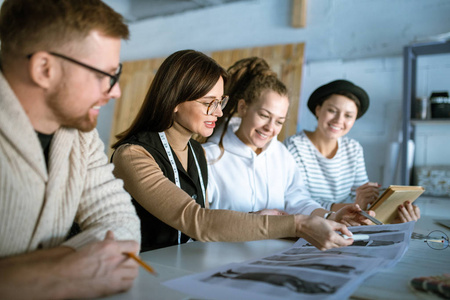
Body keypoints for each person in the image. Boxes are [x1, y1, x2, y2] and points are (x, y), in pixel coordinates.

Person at [111, 49, 354, 252]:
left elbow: (206, 220)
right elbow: (197, 221)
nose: (217, 112)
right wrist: (297, 225)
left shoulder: (196, 153)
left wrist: (255, 217)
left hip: (182, 266)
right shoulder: (133, 155)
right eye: (208, 103)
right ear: (174, 100)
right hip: (142, 272)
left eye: (220, 102)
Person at [0, 0, 141, 298]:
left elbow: (122, 223)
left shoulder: (79, 134)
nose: (115, 91)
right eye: (105, 75)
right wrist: (57, 273)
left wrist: (43, 272)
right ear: (44, 69)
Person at [203, 57, 373, 226]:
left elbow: (298, 201)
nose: (270, 128)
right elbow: (199, 221)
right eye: (264, 115)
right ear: (243, 107)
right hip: (226, 252)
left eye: (279, 121)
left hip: (276, 251)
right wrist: (253, 220)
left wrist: (332, 217)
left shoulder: (281, 154)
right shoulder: (209, 157)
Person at [283, 79, 420, 223]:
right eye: (332, 110)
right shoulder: (293, 146)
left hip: (345, 223)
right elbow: (298, 202)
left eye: (348, 116)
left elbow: (362, 200)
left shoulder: (353, 148)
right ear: (318, 110)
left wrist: (393, 212)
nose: (338, 120)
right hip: (309, 225)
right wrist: (355, 206)